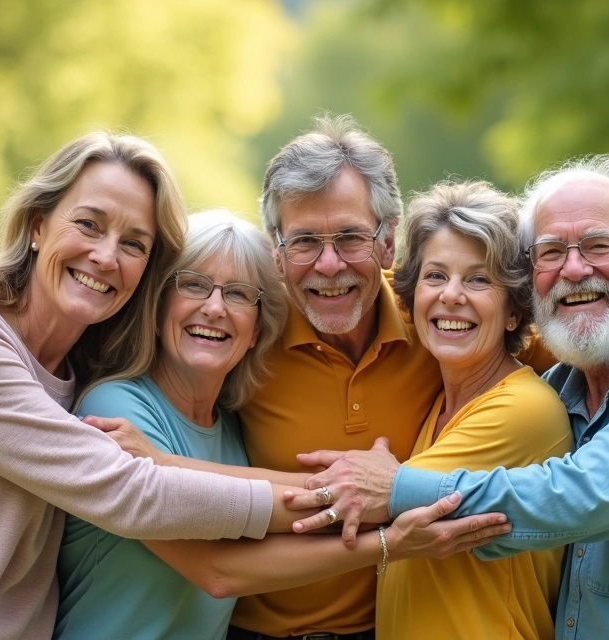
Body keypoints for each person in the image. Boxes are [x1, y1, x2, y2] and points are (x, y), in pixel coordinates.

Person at [0, 116, 609, 639]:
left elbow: (589, 351)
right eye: (300, 245)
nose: (326, 266)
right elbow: (18, 405)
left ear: (385, 241)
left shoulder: (448, 329)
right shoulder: (234, 334)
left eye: (347, 241)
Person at [294, 155, 609, 639]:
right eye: (552, 252)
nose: (575, 269)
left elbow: (580, 496)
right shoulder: (564, 388)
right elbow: (388, 290)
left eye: (599, 246)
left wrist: (398, 486)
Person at [0, 134, 285, 640]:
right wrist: (347, 494)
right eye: (88, 224)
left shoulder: (88, 372)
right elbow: (130, 492)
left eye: (133, 244)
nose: (106, 256)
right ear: (37, 224)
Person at [54, 210, 509, 640]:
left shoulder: (231, 427)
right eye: (194, 286)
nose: (214, 308)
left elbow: (257, 501)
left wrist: (385, 490)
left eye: (237, 293)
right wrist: (389, 525)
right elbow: (218, 570)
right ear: (158, 304)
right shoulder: (115, 410)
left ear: (257, 328)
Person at [373, 181, 571, 639]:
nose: (451, 295)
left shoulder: (524, 410)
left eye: (479, 279)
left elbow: (364, 496)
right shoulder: (441, 405)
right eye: (435, 276)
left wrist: (172, 475)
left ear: (514, 312)